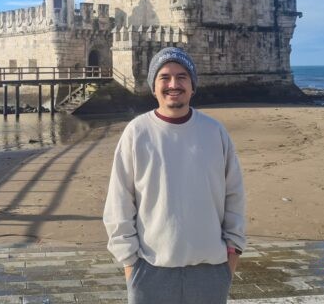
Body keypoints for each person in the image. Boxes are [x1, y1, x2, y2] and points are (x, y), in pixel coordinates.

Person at [103, 46, 246, 304]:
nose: (173, 84)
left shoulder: (215, 132)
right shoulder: (136, 132)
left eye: (182, 77)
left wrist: (232, 253)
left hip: (211, 270)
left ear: (192, 86)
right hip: (149, 271)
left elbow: (234, 195)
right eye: (165, 77)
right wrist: (129, 263)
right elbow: (119, 202)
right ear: (153, 86)